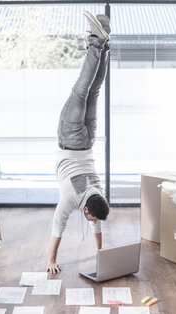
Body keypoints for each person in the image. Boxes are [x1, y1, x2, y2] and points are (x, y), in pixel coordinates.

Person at [46, 11, 111, 274]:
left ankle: (104, 42)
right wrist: (51, 260)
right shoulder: (72, 199)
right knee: (82, 89)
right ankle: (97, 40)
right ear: (85, 208)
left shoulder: (98, 195)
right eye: (91, 217)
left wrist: (101, 254)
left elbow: (96, 222)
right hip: (72, 137)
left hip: (88, 140)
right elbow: (57, 228)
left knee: (93, 91)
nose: (93, 221)